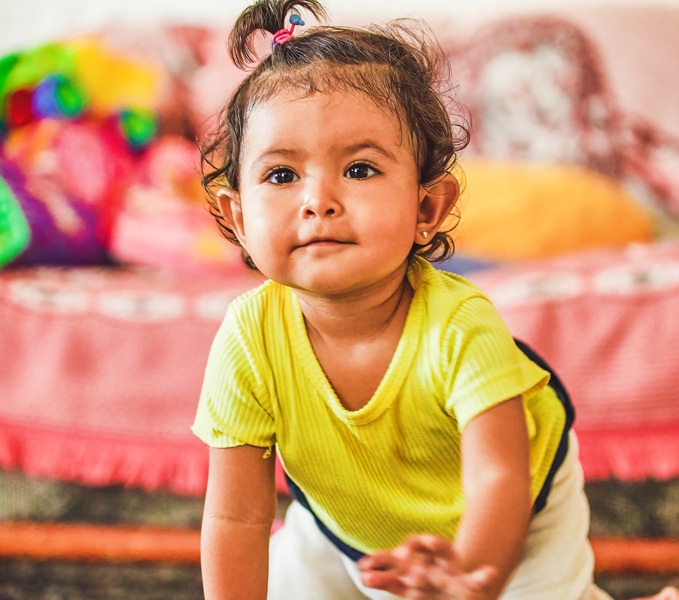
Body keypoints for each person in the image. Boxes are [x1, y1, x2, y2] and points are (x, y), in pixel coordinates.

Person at [192, 1, 611, 598]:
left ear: (426, 208)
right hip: (354, 517)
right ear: (237, 217)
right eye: (282, 175)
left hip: (516, 512)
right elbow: (236, 516)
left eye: (360, 169)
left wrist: (471, 575)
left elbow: (500, 478)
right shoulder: (248, 337)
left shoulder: (459, 324)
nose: (318, 201)